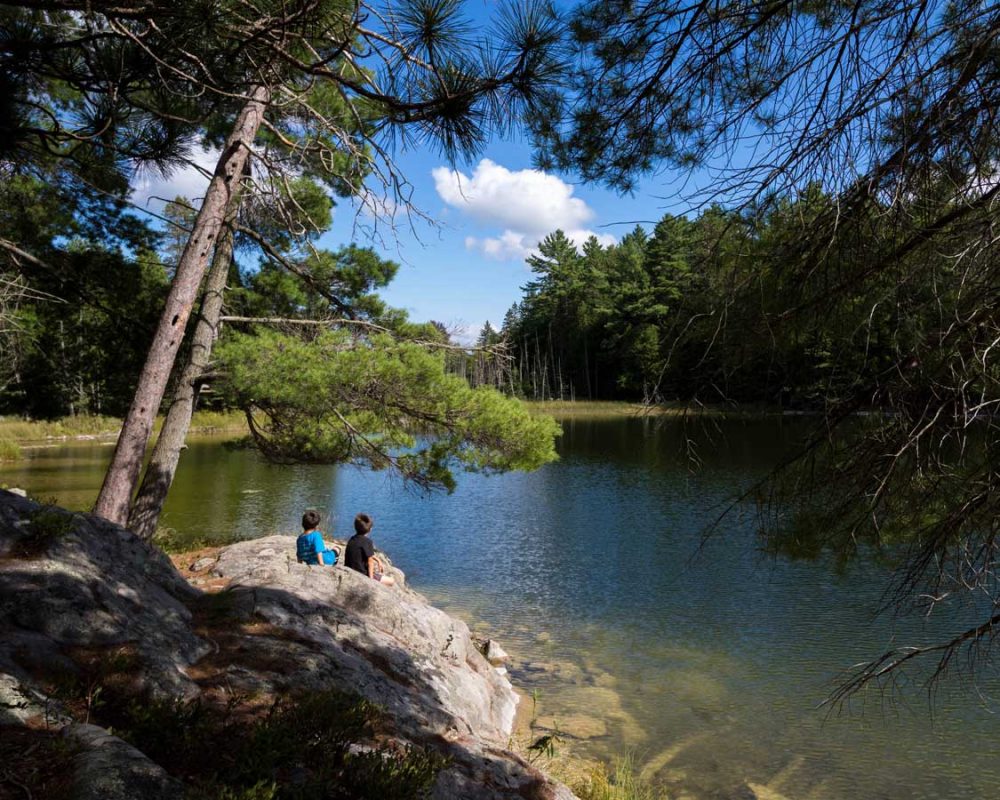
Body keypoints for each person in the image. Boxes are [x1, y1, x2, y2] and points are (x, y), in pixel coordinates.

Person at [345, 513, 395, 586]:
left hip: (350, 570)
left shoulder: (352, 539)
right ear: (370, 529)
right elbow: (370, 562)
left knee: (378, 573)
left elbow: (364, 552)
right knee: (391, 581)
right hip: (362, 574)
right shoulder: (367, 542)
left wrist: (378, 560)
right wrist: (371, 581)